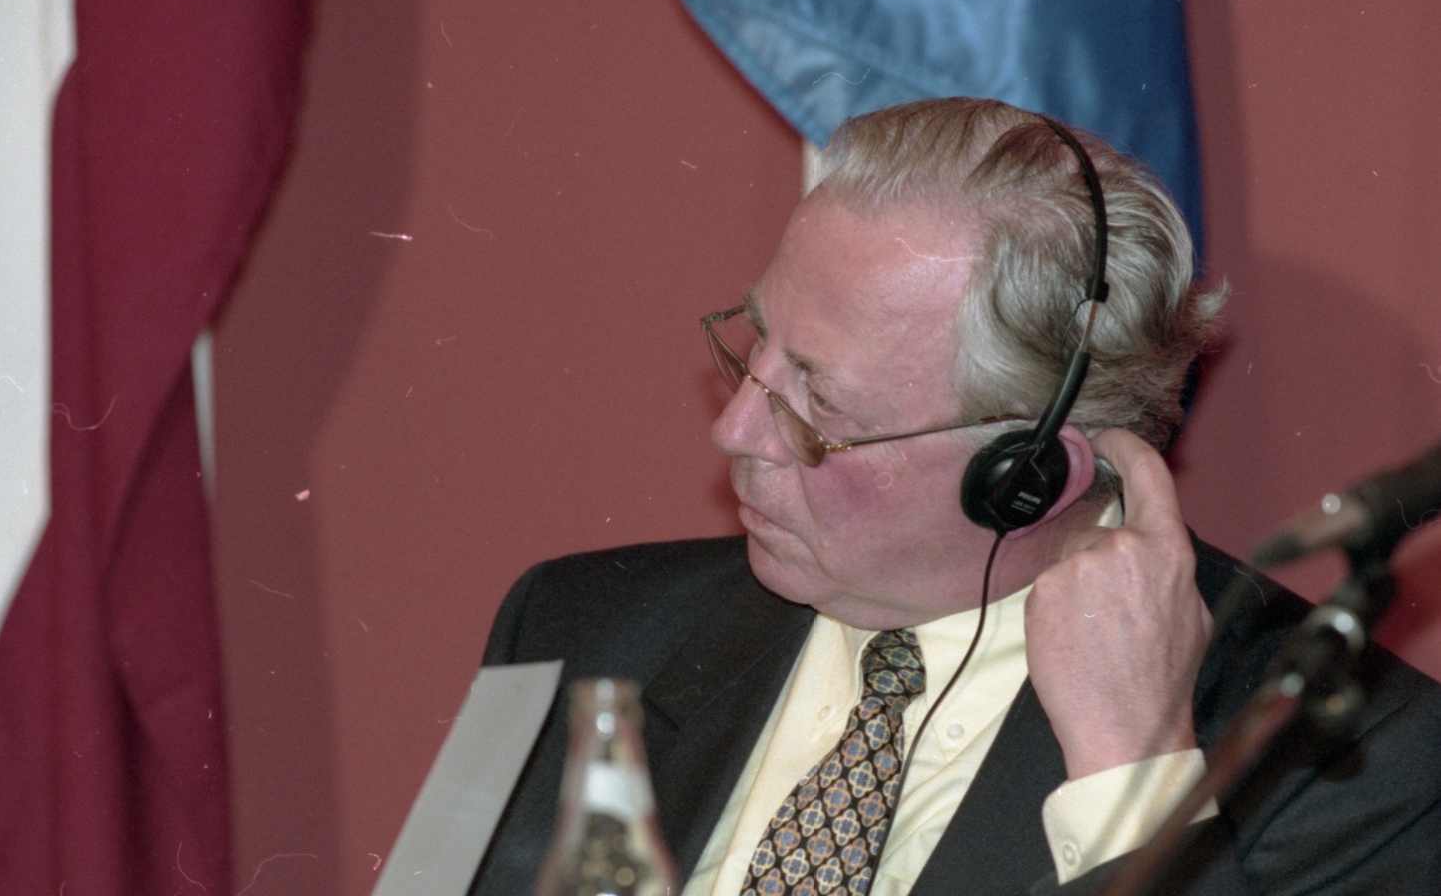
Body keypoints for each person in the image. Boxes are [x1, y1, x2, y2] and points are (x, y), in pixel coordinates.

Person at [470, 98, 1441, 896]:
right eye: (757, 343)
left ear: (1025, 475)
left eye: (820, 405)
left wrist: (1129, 766)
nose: (734, 430)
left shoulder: (1368, 764)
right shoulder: (573, 627)